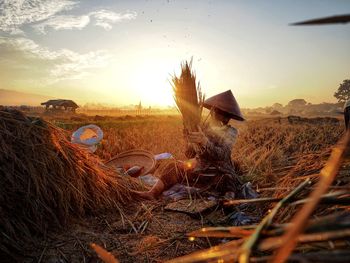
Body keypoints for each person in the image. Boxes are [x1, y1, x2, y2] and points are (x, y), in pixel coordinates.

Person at [134, 90, 246, 200]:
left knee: (228, 180)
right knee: (173, 167)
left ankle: (227, 202)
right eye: (217, 111)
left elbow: (222, 154)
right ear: (212, 111)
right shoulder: (202, 127)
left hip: (218, 171)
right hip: (198, 169)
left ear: (228, 116)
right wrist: (190, 142)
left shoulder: (231, 132)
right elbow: (190, 154)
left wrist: (204, 141)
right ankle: (152, 192)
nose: (218, 114)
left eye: (224, 113)